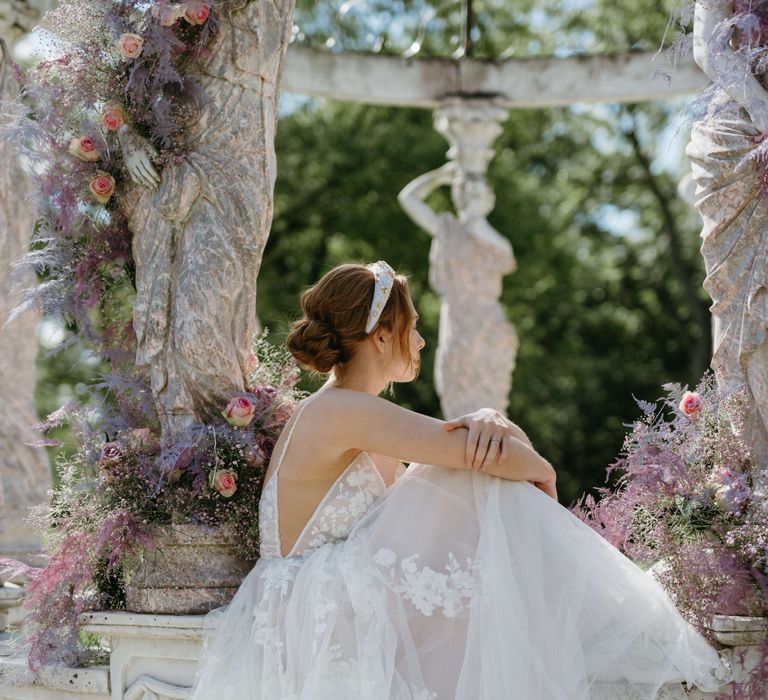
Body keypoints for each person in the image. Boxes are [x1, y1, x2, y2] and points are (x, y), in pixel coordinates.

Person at [190, 261, 727, 699]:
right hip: (316, 610)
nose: (421, 342)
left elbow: (470, 453)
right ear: (380, 337)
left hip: (319, 603)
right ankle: (612, 616)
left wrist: (493, 420)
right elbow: (473, 457)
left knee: (460, 481)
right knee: (465, 479)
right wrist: (542, 468)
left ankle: (587, 620)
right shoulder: (342, 410)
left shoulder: (350, 411)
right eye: (412, 328)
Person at [686, 0, 768, 470]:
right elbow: (708, 44)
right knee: (741, 307)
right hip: (742, 137)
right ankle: (751, 477)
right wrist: (760, 107)